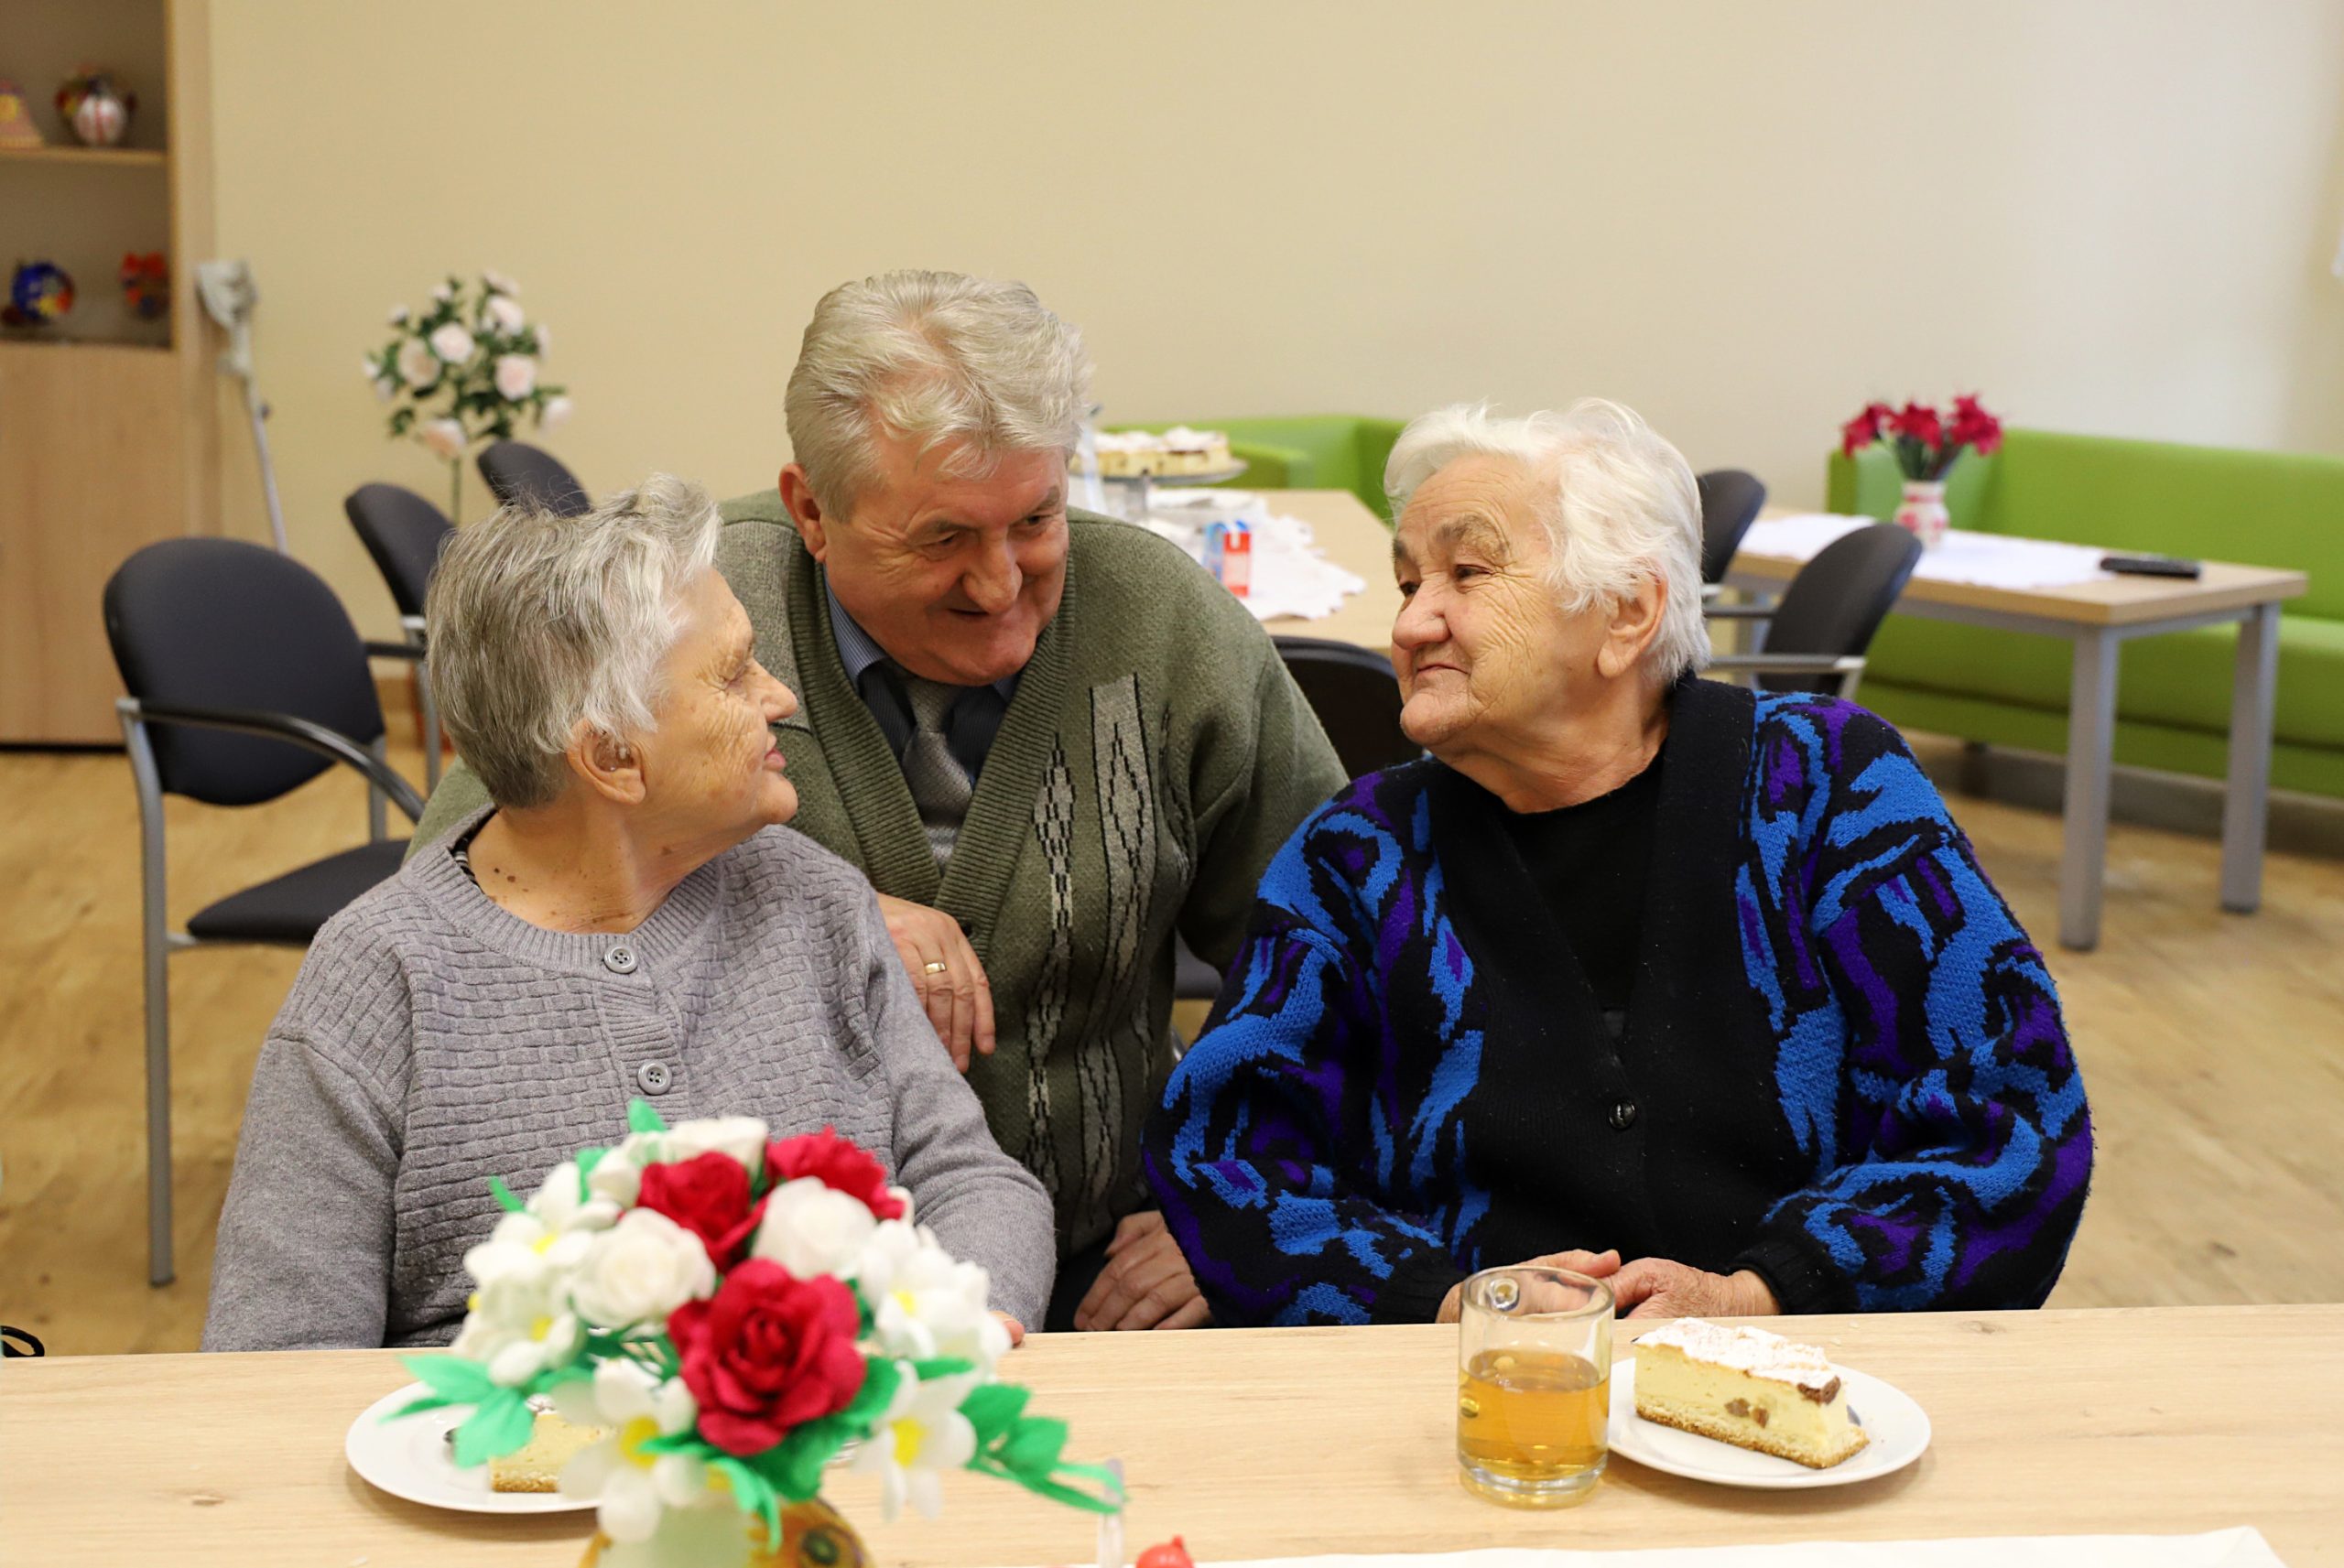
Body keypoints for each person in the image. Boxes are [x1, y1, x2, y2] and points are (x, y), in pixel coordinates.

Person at [410, 273, 1349, 1331]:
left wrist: (1230, 1203)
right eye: (942, 539)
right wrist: (803, 913)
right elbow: (456, 905)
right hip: (716, 1306)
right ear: (812, 508)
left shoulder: (1165, 625)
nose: (999, 585)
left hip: (1101, 1273)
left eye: (1036, 520)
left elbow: (1337, 947)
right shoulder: (681, 616)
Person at [1145, 401, 2093, 1325]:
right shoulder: (1358, 858)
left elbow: (2014, 1118)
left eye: (1465, 573)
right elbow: (1228, 1156)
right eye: (1407, 585)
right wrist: (1443, 1307)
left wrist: (1757, 1293)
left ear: (1627, 613)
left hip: (1806, 1404)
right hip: (1472, 1413)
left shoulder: (1827, 794)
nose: (1409, 626)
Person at [204, 479, 1056, 1351]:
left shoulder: (816, 899)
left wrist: (957, 1332)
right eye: (733, 674)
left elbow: (972, 1181)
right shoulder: (381, 981)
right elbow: (277, 1352)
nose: (781, 699)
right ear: (612, 757)